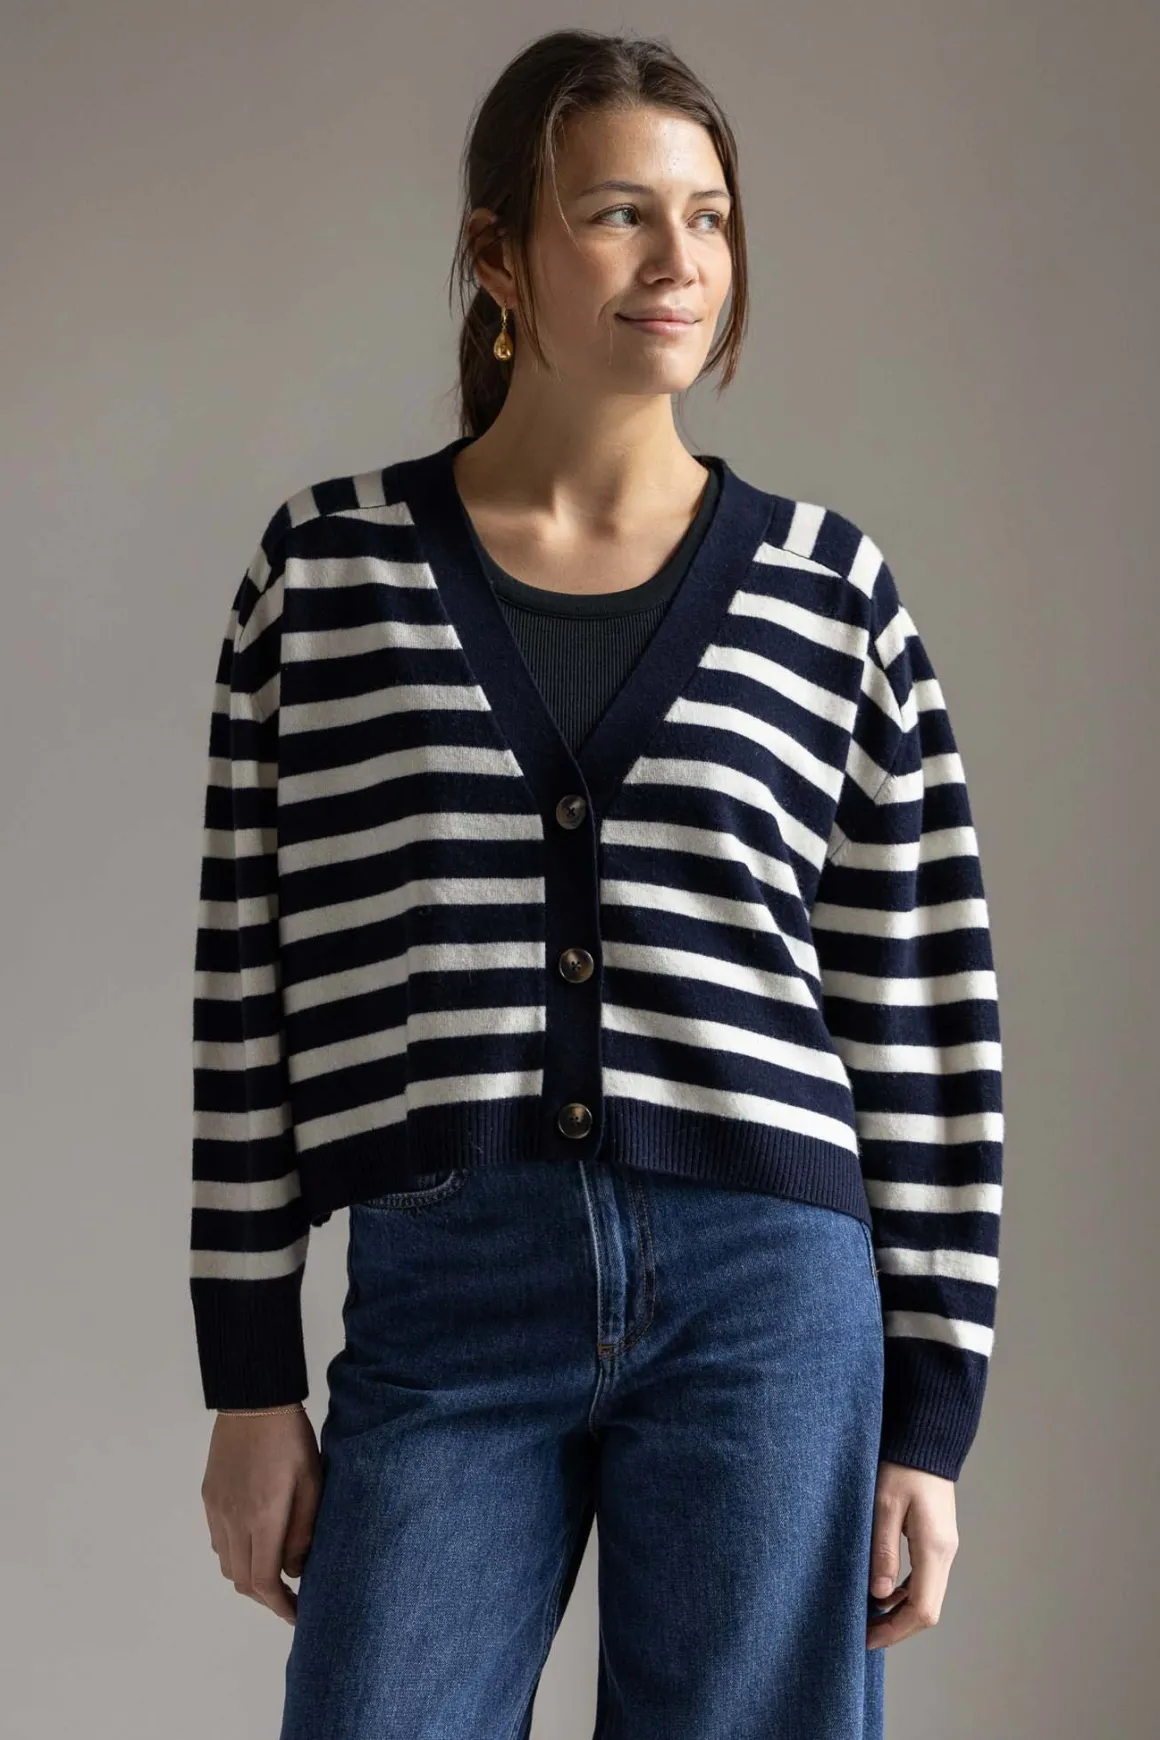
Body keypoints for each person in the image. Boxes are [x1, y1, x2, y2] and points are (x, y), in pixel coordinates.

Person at [191, 28, 1003, 1740]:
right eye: (620, 212)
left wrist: (931, 1414)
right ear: (499, 256)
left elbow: (923, 1014)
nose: (679, 260)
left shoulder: (830, 594)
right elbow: (250, 995)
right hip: (450, 1277)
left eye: (708, 216)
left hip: (767, 1296)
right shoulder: (325, 578)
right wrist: (248, 1380)